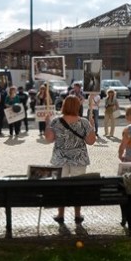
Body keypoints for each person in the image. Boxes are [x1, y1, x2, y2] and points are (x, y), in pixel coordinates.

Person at [44, 95, 97, 225]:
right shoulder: (84, 122)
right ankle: (77, 215)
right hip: (79, 159)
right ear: (78, 106)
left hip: (60, 159)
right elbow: (91, 141)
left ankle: (60, 214)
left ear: (64, 106)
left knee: (60, 187)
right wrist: (92, 126)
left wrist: (47, 124)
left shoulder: (56, 121)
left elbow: (49, 139)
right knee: (77, 187)